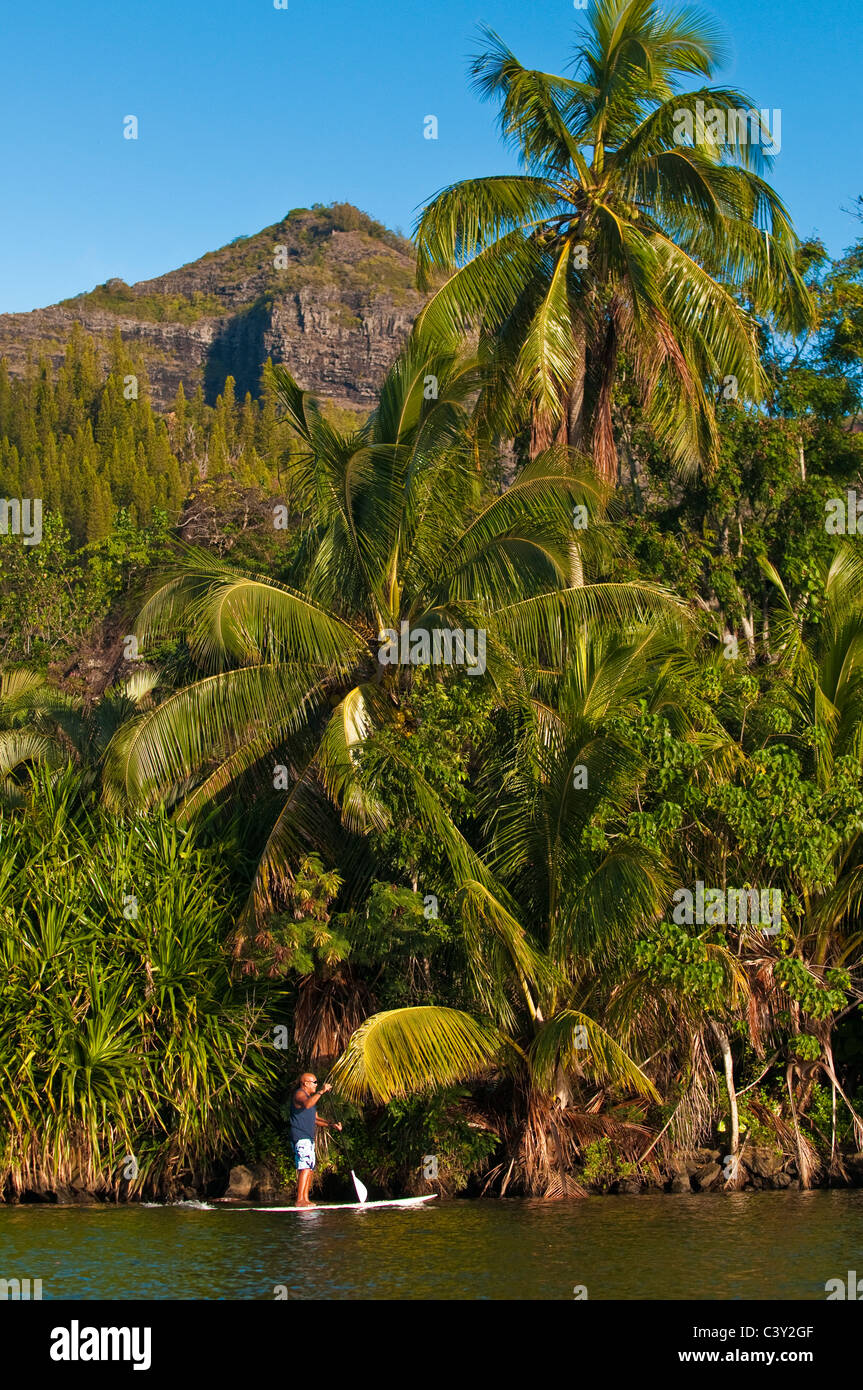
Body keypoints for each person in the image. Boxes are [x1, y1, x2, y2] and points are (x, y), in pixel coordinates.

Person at [289, 1072, 342, 1207]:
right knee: (305, 1166)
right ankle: (300, 1200)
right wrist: (322, 1091)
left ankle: (305, 1199)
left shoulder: (311, 1099)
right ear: (306, 1083)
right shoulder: (299, 1094)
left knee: (310, 1167)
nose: (316, 1084)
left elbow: (316, 1119)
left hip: (308, 1137)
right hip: (300, 1136)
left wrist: (331, 1124)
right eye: (314, 1082)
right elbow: (306, 1105)